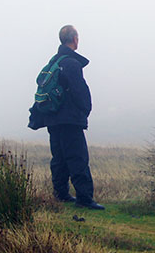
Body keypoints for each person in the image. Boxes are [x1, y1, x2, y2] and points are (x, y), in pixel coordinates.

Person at [28, 25, 105, 210]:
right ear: (75, 39)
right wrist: (85, 110)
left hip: (52, 119)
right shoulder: (71, 63)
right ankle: (84, 199)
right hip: (69, 119)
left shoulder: (53, 62)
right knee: (78, 158)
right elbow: (80, 91)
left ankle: (61, 194)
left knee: (59, 158)